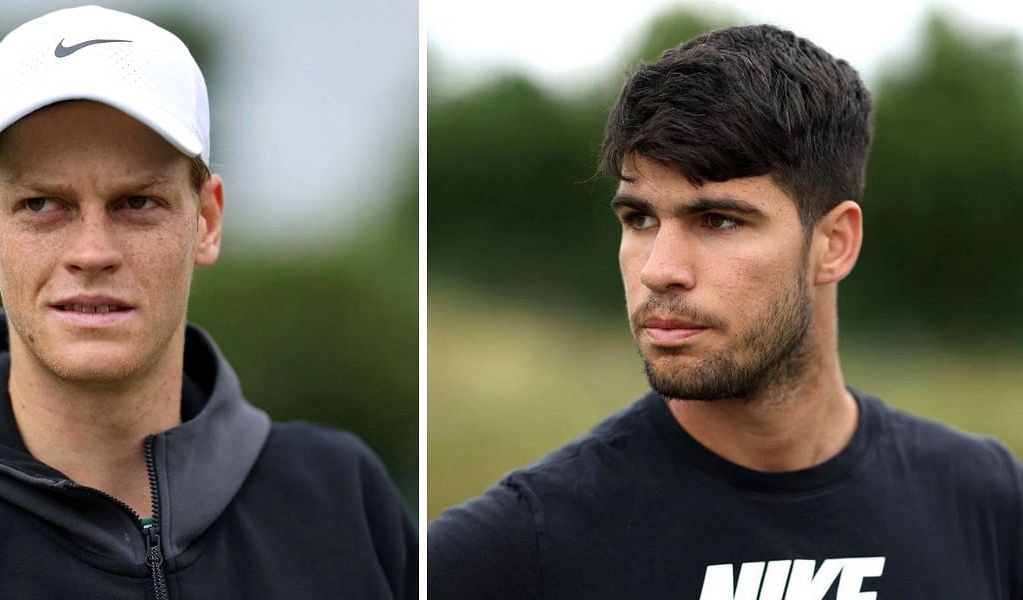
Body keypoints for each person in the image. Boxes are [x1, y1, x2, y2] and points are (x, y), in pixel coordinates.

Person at [0, 6, 416, 599]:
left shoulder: (347, 503)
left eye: (137, 202)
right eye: (40, 204)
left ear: (207, 220)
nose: (92, 251)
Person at [429, 24, 1022, 598]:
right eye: (640, 218)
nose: (659, 269)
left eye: (718, 220)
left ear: (834, 243)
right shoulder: (505, 554)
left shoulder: (987, 502)